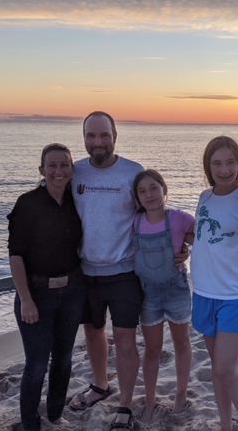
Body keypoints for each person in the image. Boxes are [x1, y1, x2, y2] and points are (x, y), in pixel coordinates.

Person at [68, 111, 144, 430]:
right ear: (84, 138)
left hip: (125, 272)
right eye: (91, 136)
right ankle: (101, 385)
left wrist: (179, 246)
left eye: (103, 135)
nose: (97, 142)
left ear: (115, 136)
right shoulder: (74, 172)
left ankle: (125, 404)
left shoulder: (133, 172)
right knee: (93, 331)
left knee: (125, 340)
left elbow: (152, 214)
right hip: (85, 273)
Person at [190, 136, 238, 431]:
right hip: (203, 293)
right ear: (208, 167)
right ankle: (226, 425)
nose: (224, 170)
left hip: (235, 297)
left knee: (226, 369)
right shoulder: (204, 198)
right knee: (218, 370)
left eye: (230, 162)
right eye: (217, 163)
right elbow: (204, 238)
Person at [7, 143, 86, 431]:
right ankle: (31, 424)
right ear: (41, 170)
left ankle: (54, 415)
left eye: (64, 164)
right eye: (51, 165)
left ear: (72, 168)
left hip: (73, 291)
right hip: (36, 294)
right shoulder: (27, 203)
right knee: (37, 364)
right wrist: (25, 299)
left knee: (64, 359)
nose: (58, 171)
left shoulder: (77, 202)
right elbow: (16, 255)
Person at [132, 169, 195, 421]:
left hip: (176, 289)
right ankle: (149, 400)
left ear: (164, 190)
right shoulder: (135, 221)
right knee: (152, 349)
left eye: (154, 188)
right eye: (142, 191)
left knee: (182, 343)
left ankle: (181, 394)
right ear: (137, 197)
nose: (149, 195)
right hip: (148, 295)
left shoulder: (178, 218)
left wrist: (187, 248)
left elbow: (201, 233)